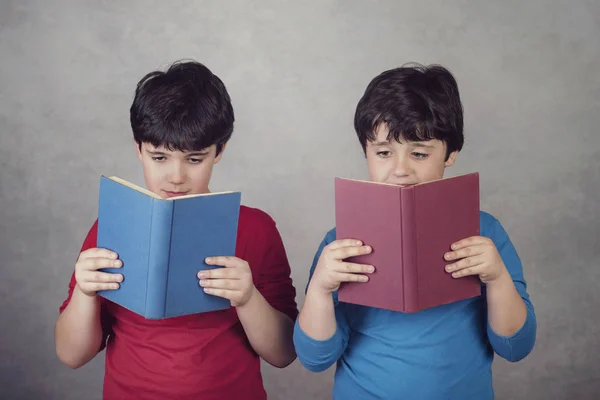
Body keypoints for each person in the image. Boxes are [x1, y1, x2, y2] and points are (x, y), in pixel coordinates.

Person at [55, 60, 298, 400]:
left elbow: (284, 353)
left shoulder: (256, 228)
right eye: (159, 158)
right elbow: (71, 355)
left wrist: (247, 298)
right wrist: (84, 292)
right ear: (138, 149)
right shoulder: (112, 227)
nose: (176, 177)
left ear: (220, 151)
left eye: (195, 159)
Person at [293, 63, 536, 399]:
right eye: (383, 153)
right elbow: (315, 357)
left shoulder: (485, 233)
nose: (400, 170)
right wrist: (319, 291)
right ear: (365, 152)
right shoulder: (340, 242)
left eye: (420, 153)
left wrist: (497, 279)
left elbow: (516, 346)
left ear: (450, 154)